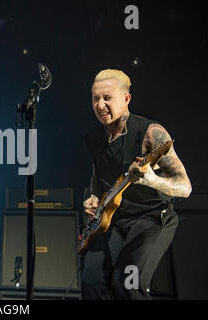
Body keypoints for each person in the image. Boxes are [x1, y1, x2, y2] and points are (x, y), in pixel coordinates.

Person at [81, 69, 192, 300]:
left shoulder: (151, 132)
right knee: (91, 281)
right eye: (95, 98)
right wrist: (93, 199)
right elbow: (98, 178)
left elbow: (185, 187)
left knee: (127, 282)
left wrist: (152, 180)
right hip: (114, 221)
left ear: (126, 99)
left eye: (107, 98)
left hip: (151, 218)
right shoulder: (94, 138)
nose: (100, 105)